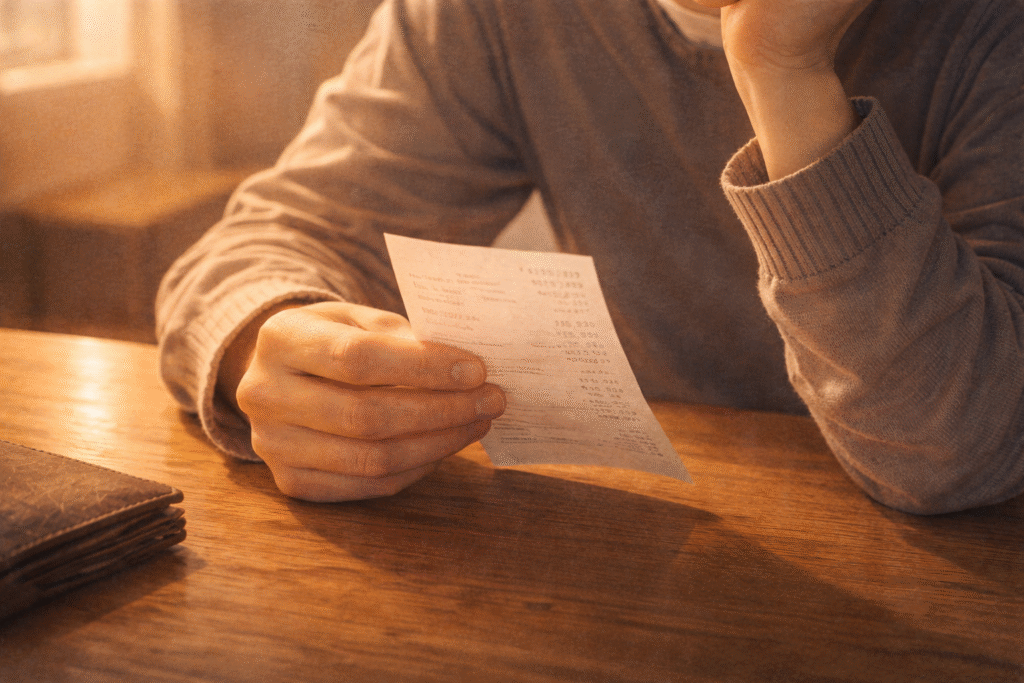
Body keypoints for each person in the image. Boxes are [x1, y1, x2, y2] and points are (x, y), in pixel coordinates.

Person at [157, 0, 1024, 513]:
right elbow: (277, 236)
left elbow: (961, 451)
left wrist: (783, 68)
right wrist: (268, 339)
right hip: (666, 541)